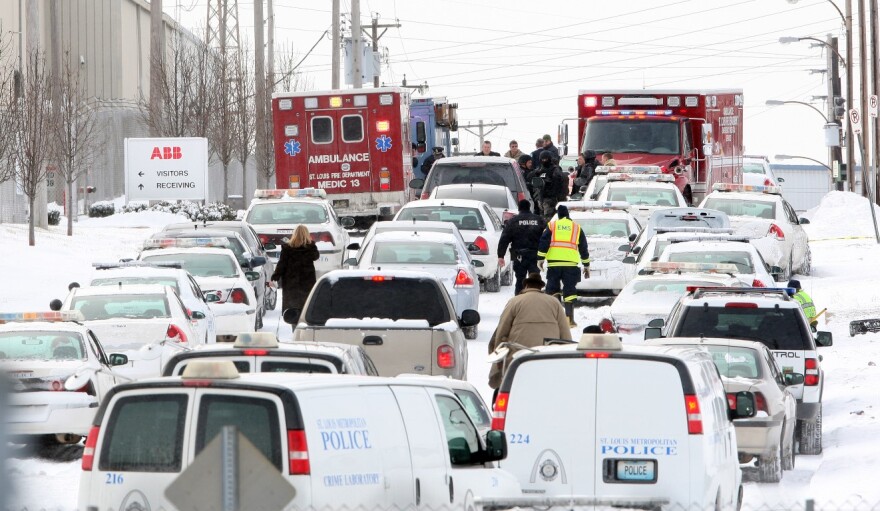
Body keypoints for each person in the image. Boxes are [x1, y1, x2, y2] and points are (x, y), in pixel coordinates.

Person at [487, 272, 572, 397]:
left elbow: (501, 332)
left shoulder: (514, 302)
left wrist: (498, 356)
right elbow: (565, 336)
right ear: (540, 288)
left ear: (526, 286)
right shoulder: (555, 303)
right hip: (548, 358)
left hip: (518, 357)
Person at [537, 204, 591, 327]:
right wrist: (586, 265)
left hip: (554, 264)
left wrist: (540, 259)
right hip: (571, 265)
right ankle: (569, 319)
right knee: (570, 290)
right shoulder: (576, 228)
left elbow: (543, 242)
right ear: (568, 215)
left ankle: (554, 319)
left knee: (552, 289)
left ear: (558, 215)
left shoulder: (552, 226)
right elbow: (583, 248)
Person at [271, 225, 319, 329]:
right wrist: (311, 244)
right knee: (305, 307)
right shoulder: (311, 247)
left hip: (291, 283)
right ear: (307, 234)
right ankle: (305, 329)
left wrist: (276, 276)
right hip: (307, 283)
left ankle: (295, 329)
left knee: (293, 309)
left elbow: (282, 264)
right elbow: (316, 257)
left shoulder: (287, 248)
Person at [498, 199, 545, 295]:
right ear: (529, 208)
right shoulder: (539, 220)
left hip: (518, 254)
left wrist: (500, 255)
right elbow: (546, 237)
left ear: (519, 209)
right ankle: (534, 300)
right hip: (535, 254)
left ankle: (519, 301)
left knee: (520, 279)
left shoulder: (513, 221)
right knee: (534, 280)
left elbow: (504, 238)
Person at [533, 150, 568, 221]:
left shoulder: (555, 170)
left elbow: (561, 183)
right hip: (541, 198)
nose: (544, 161)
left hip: (551, 199)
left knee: (549, 220)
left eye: (545, 159)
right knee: (542, 219)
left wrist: (557, 196)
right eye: (542, 159)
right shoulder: (539, 170)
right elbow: (535, 183)